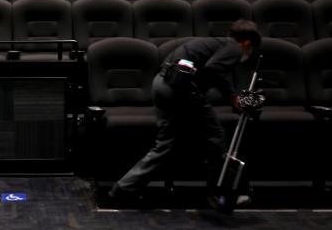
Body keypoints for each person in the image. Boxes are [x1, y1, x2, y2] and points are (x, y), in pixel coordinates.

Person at [108, 19, 262, 207]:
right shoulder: (234, 48)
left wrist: (230, 98)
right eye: (251, 49)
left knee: (166, 144)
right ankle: (218, 193)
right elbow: (214, 69)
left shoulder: (213, 43)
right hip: (181, 90)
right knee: (215, 136)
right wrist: (232, 97)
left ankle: (124, 188)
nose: (248, 54)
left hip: (162, 84)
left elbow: (209, 70)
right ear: (247, 43)